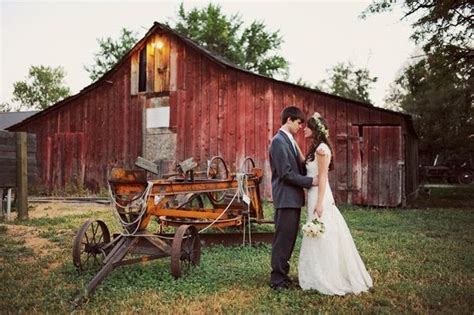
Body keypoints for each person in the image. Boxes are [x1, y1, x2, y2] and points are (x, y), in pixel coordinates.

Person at [297, 112, 373, 295]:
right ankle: (315, 273)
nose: (304, 129)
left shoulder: (322, 150)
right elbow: (305, 164)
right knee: (317, 231)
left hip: (320, 195)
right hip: (313, 194)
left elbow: (323, 177)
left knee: (323, 232)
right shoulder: (315, 148)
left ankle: (328, 275)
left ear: (315, 130)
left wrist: (320, 203)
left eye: (308, 127)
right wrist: (294, 145)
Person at [268, 106, 318, 290]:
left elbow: (297, 167)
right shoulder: (278, 142)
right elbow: (286, 174)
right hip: (285, 199)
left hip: (292, 199)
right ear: (289, 119)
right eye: (298, 123)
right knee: (282, 240)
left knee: (288, 239)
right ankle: (277, 280)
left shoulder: (289, 140)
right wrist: (311, 181)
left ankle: (283, 275)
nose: (300, 127)